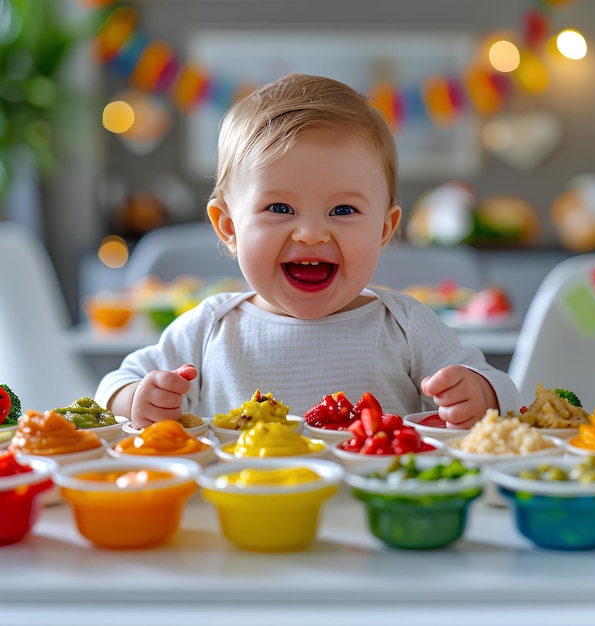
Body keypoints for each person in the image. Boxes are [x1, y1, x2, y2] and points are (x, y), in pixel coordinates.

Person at [95, 73, 520, 429]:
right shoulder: (209, 328)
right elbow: (115, 383)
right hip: (246, 512)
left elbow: (502, 386)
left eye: (343, 209)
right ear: (229, 227)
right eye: (280, 208)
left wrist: (478, 393)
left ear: (385, 229)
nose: (313, 233)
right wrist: (137, 399)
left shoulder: (406, 326)